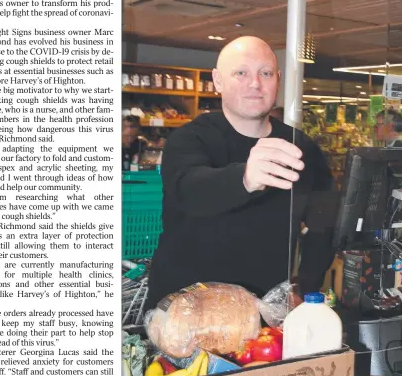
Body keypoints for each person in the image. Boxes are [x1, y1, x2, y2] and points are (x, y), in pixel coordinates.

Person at [144, 36, 335, 310]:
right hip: (186, 311)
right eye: (241, 73)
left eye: (265, 73)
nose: (255, 83)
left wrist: (307, 286)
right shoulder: (189, 139)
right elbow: (190, 191)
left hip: (261, 313)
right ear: (218, 80)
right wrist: (245, 178)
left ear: (278, 80)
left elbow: (324, 222)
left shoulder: (299, 147)